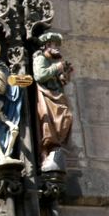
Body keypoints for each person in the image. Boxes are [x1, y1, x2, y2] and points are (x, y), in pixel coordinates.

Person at [33, 32, 73, 172]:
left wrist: (65, 74)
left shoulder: (54, 62)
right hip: (46, 96)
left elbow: (60, 81)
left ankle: (56, 146)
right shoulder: (40, 59)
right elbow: (39, 75)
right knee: (48, 124)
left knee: (66, 117)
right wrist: (56, 68)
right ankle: (47, 152)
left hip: (56, 96)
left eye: (57, 45)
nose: (57, 48)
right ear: (47, 46)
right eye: (54, 45)